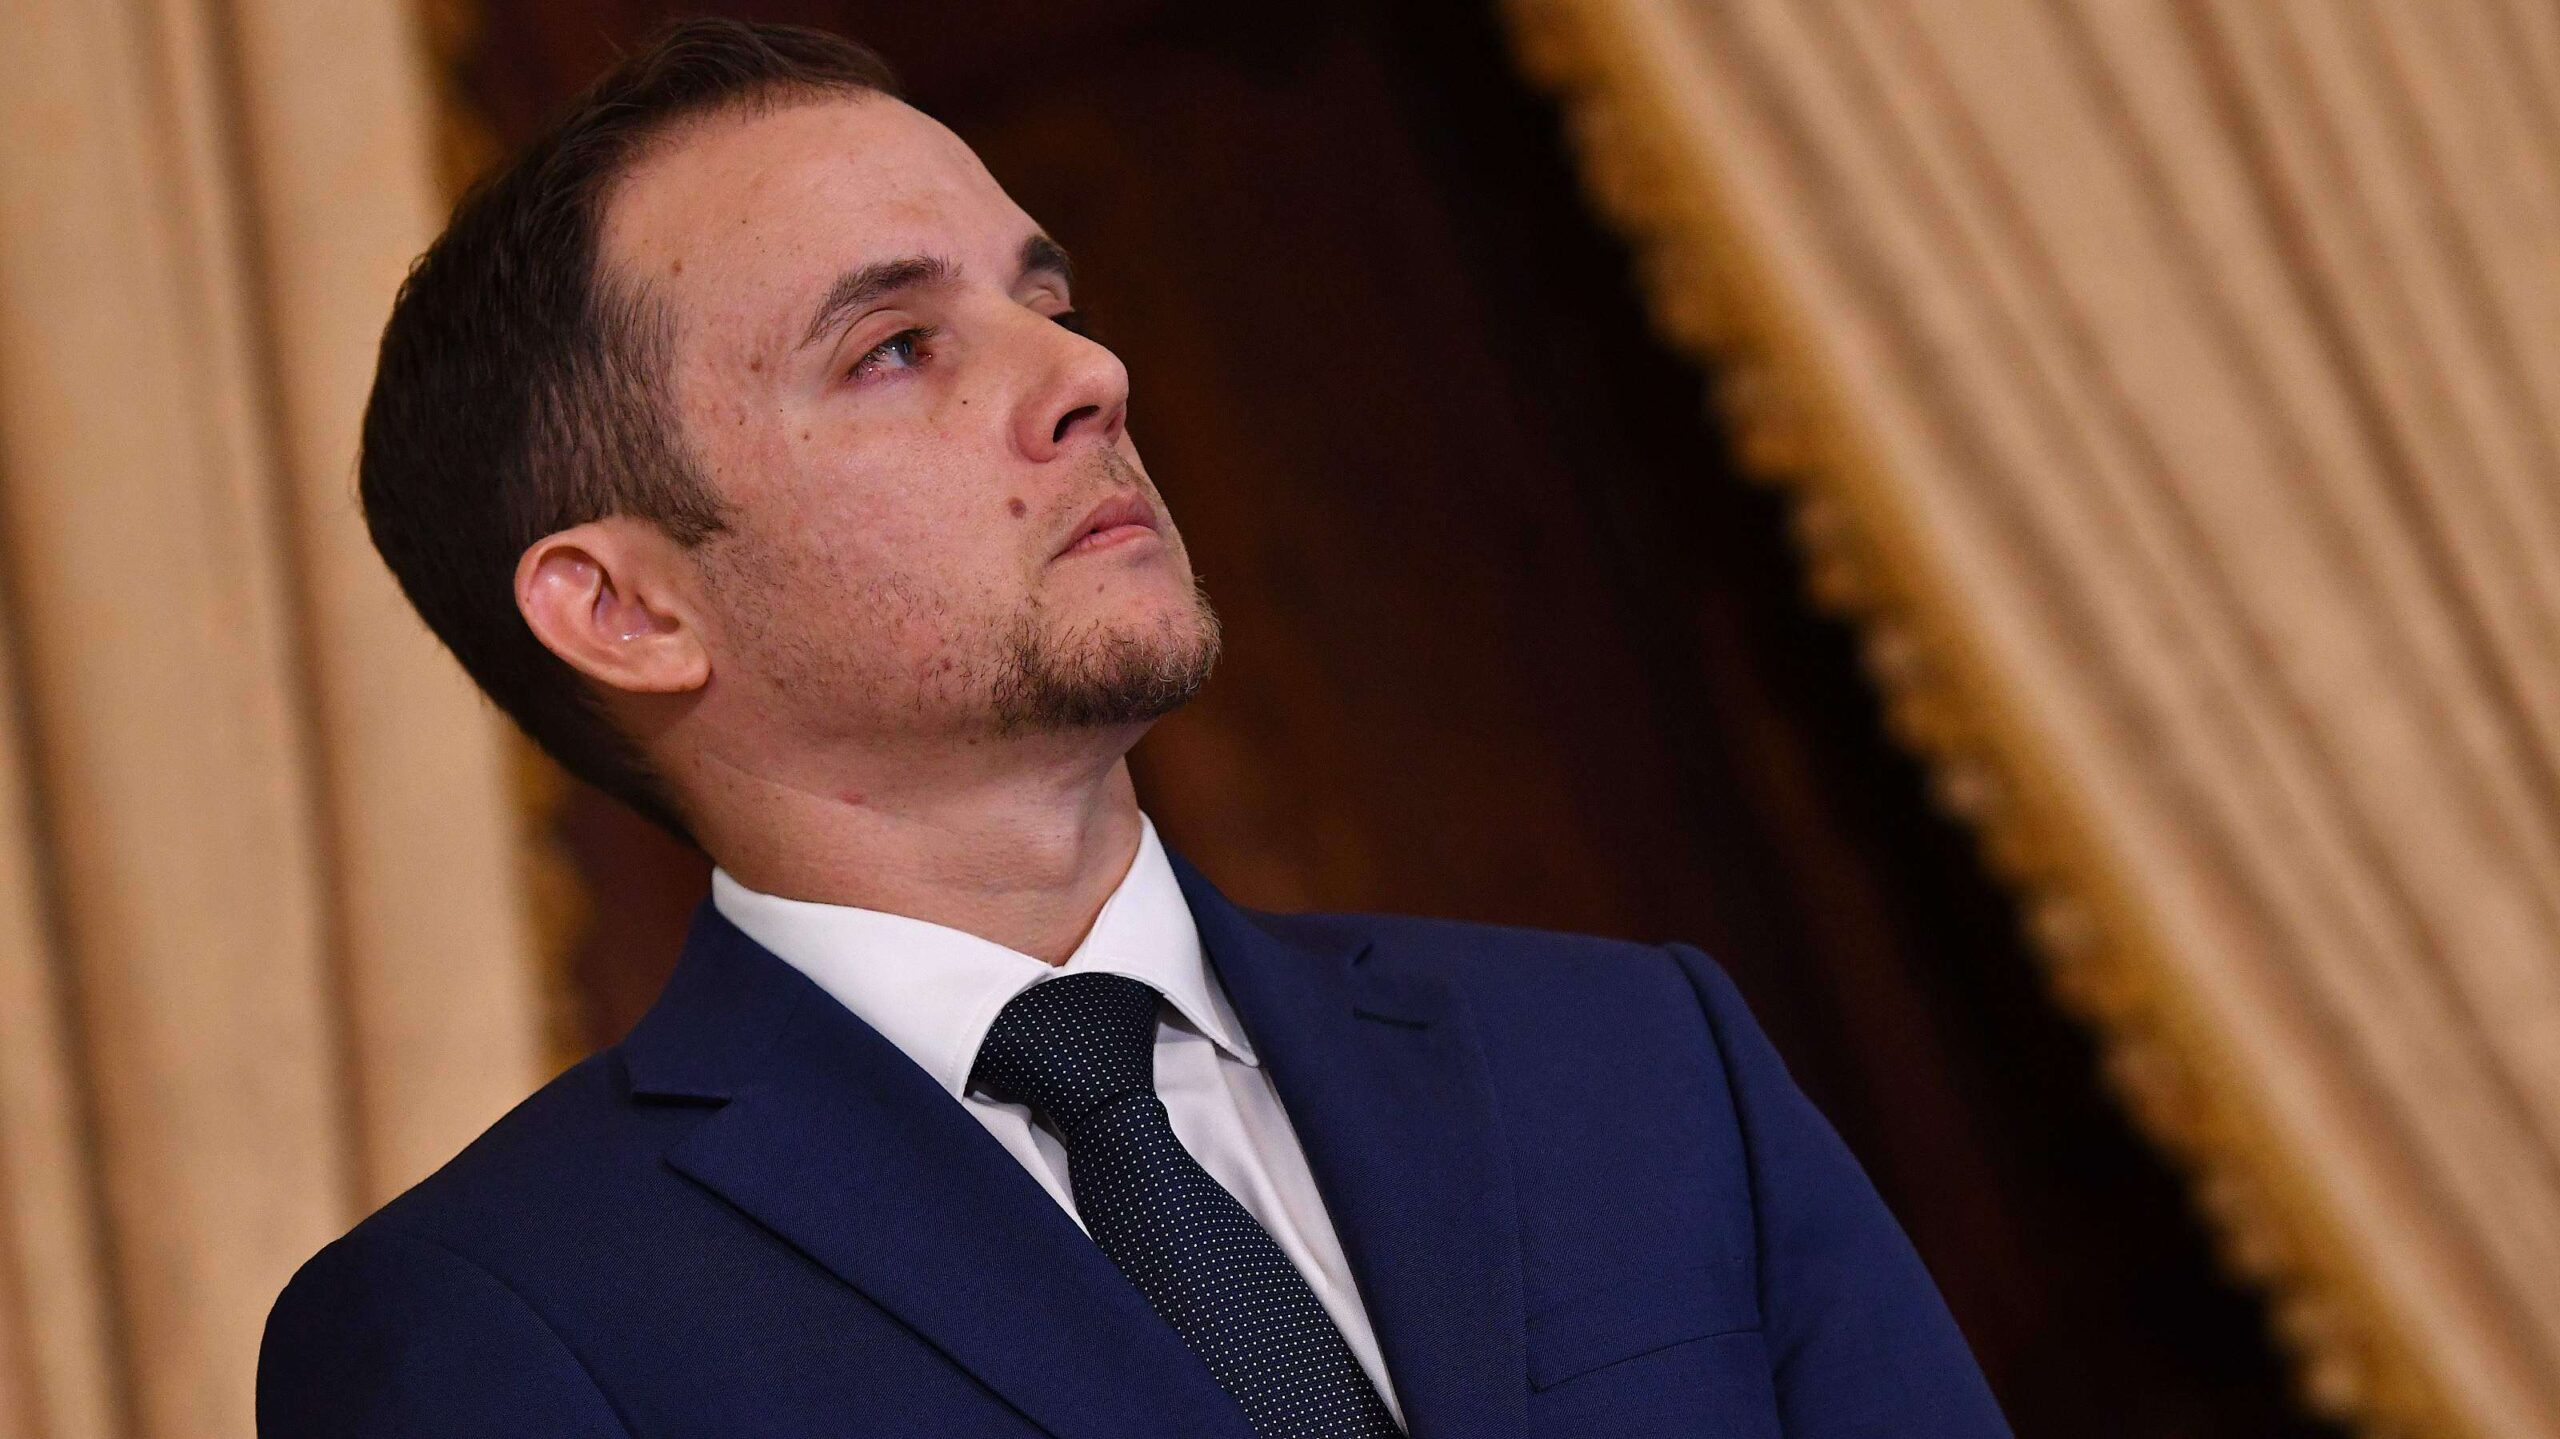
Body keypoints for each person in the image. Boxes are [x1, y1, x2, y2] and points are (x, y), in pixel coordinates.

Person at [256, 17, 2010, 1438]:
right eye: (893, 348)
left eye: (1048, 301)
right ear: (627, 609)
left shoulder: (1634, 1059)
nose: (1089, 377)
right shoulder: (490, 1327)